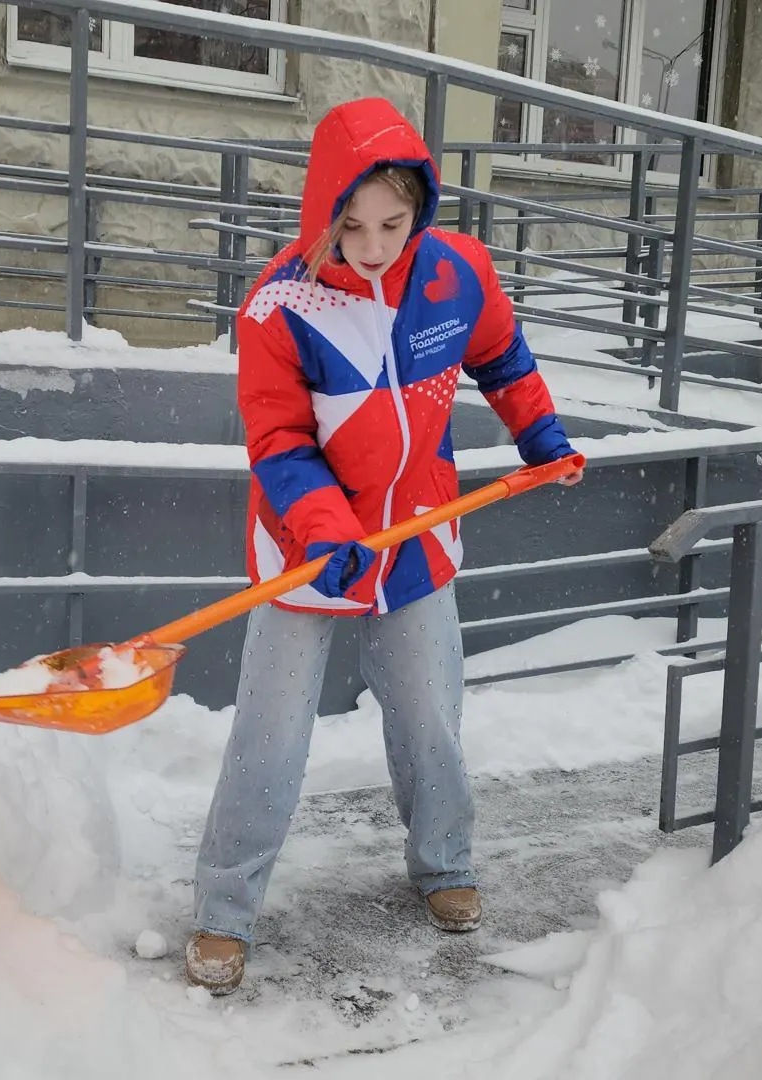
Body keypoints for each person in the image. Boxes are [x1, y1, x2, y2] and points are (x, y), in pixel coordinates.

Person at [185, 97, 583, 995]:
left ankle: (444, 864)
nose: (371, 246)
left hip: (417, 540)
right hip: (308, 547)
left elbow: (504, 356)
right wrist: (325, 528)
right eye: (351, 225)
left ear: (423, 210)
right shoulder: (279, 305)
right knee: (271, 736)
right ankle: (223, 909)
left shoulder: (454, 273)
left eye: (393, 224)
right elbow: (279, 442)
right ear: (324, 212)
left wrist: (541, 435)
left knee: (431, 716)